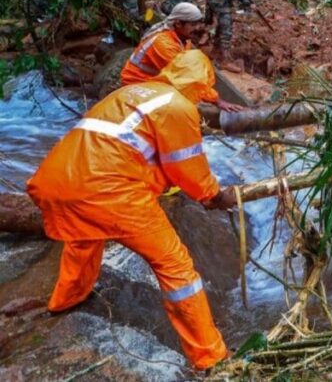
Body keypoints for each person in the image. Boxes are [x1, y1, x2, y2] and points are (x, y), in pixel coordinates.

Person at [26, 50, 237, 371]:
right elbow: (188, 169)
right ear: (201, 83)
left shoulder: (131, 93)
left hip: (56, 180)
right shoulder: (177, 107)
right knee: (176, 267)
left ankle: (65, 300)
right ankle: (210, 357)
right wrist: (212, 195)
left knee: (83, 238)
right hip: (110, 192)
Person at [120, 2, 242, 112]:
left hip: (153, 82)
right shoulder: (163, 44)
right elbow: (187, 79)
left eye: (199, 23)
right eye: (193, 24)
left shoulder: (183, 40)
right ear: (178, 24)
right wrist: (218, 101)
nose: (198, 28)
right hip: (137, 85)